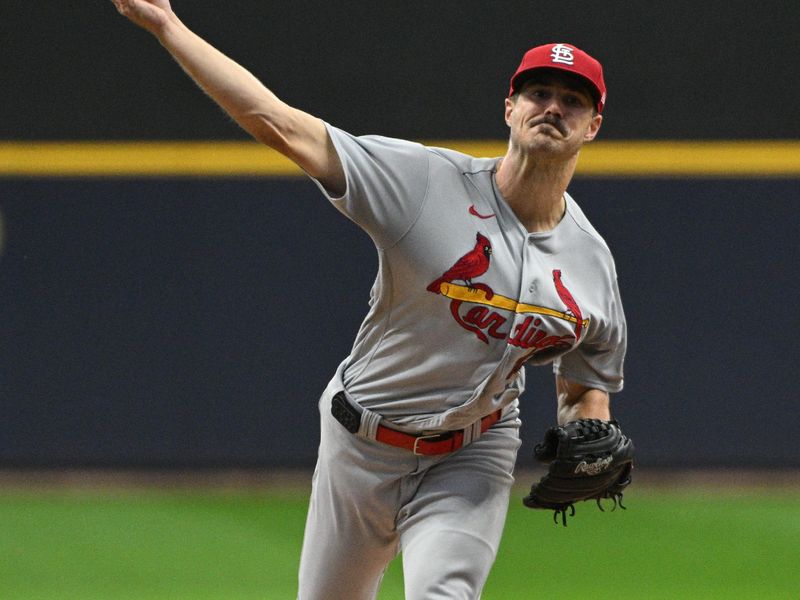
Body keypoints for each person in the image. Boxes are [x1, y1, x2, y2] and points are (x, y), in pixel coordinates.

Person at [110, 2, 628, 598]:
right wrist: (168, 27)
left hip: (473, 451)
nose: (554, 107)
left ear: (593, 126)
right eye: (539, 92)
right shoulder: (424, 184)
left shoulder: (591, 263)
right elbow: (279, 123)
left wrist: (586, 424)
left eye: (574, 100)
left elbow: (587, 378)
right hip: (361, 443)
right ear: (510, 108)